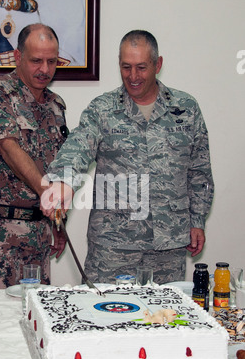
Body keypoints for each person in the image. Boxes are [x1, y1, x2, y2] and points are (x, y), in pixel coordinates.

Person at [41, 30, 214, 284]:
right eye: (126, 67)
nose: (133, 76)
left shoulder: (186, 109)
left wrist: (197, 220)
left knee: (164, 319)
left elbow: (200, 171)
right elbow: (78, 146)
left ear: (158, 64)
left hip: (168, 245)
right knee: (101, 318)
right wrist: (62, 181)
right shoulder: (102, 109)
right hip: (113, 246)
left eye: (142, 67)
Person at [0, 23, 68, 289]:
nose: (45, 69)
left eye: (51, 61)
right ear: (18, 57)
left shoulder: (56, 105)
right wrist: (47, 192)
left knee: (35, 316)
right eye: (36, 60)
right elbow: (9, 148)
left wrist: (58, 223)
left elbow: (60, 164)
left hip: (38, 237)